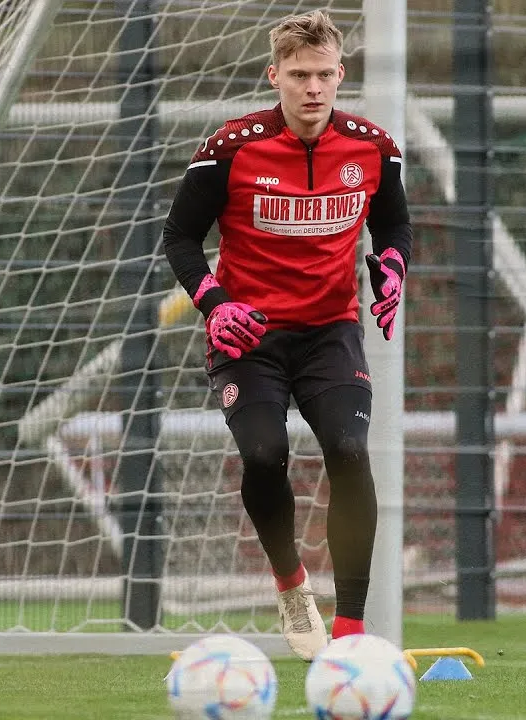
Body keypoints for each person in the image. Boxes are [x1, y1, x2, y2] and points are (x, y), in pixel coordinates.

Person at [161, 9, 412, 660]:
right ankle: (290, 582)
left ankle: (352, 633)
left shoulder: (374, 147)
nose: (313, 88)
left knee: (350, 449)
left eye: (325, 75)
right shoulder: (231, 148)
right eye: (299, 75)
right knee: (265, 454)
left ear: (341, 76)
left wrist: (392, 270)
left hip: (331, 329)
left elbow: (394, 227)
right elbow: (180, 237)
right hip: (250, 336)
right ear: (274, 75)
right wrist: (214, 303)